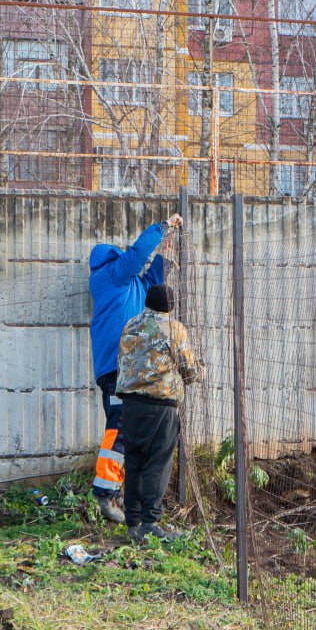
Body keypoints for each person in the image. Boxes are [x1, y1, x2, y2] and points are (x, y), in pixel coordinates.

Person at [87, 213, 184, 523]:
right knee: (119, 424)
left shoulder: (133, 288)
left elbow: (153, 279)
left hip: (128, 372)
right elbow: (138, 256)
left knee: (129, 430)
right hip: (117, 371)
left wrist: (166, 253)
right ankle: (105, 491)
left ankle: (117, 493)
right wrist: (162, 227)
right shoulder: (110, 276)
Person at [115, 284, 202, 543]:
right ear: (171, 306)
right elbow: (190, 372)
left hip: (130, 405)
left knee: (134, 463)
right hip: (160, 407)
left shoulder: (131, 325)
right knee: (157, 464)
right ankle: (150, 522)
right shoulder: (173, 329)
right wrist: (200, 370)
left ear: (147, 303)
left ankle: (133, 522)